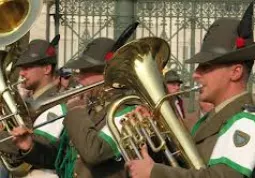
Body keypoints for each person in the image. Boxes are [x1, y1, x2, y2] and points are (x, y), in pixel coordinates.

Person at [127, 2, 255, 178]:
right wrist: (153, 135)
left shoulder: (246, 123)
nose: (195, 74)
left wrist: (154, 172)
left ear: (235, 72)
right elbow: (187, 167)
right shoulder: (211, 119)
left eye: (206, 67)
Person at [10, 37, 134, 178]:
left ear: (107, 74)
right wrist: (30, 146)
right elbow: (61, 157)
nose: (79, 78)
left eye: (85, 71)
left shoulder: (127, 110)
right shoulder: (91, 107)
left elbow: (94, 152)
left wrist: (76, 112)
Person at [0, 36, 65, 178]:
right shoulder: (32, 100)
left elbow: (36, 143)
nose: (22, 73)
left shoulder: (56, 103)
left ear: (47, 68)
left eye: (27, 68)